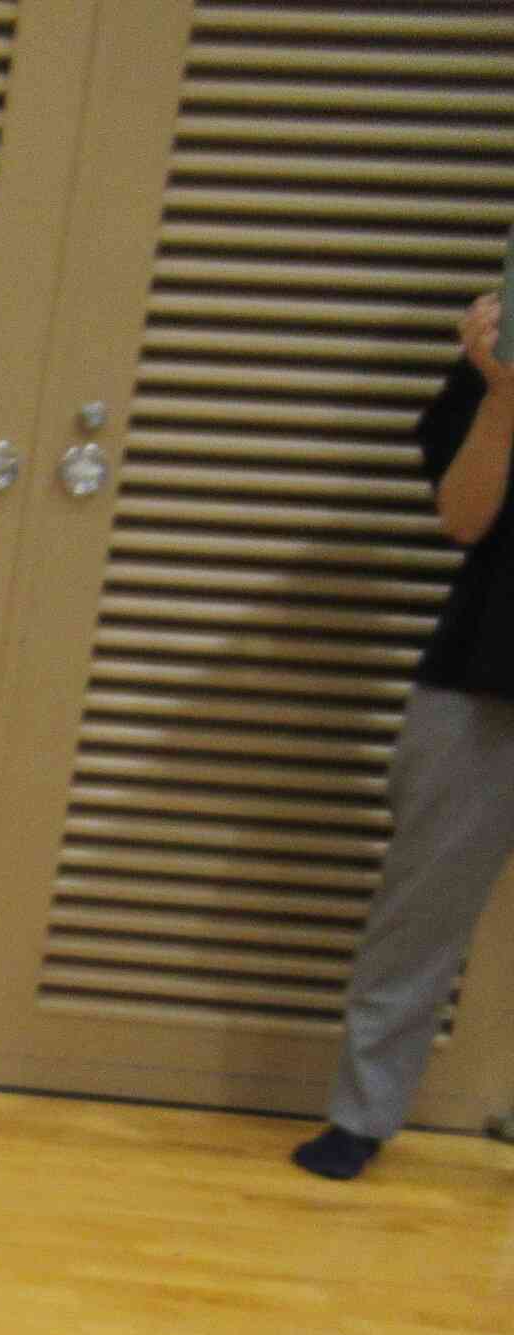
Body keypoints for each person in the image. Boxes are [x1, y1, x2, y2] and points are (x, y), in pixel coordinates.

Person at [292, 289, 513, 1180]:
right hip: (486, 666)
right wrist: (501, 392)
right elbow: (463, 518)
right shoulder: (495, 356)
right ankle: (363, 1115)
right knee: (421, 909)